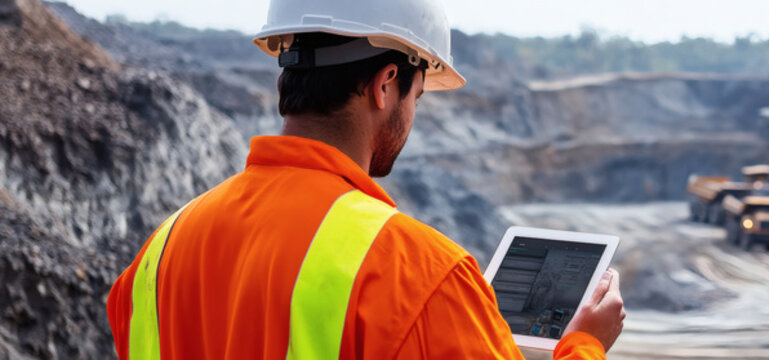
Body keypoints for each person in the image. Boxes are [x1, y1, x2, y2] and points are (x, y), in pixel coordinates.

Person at [104, 0, 624, 359]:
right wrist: (585, 345)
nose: (413, 115)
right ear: (385, 84)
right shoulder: (420, 275)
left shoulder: (160, 250)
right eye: (417, 98)